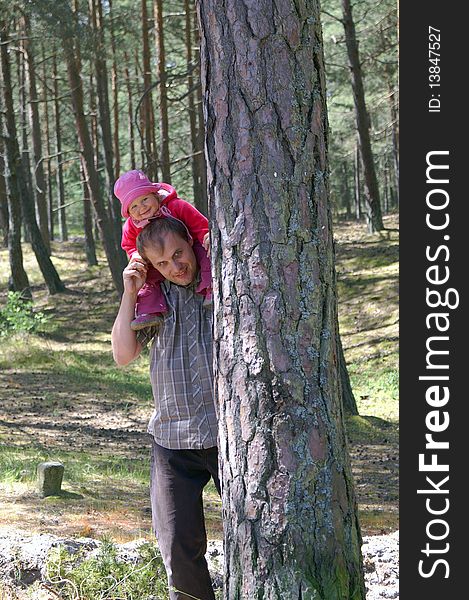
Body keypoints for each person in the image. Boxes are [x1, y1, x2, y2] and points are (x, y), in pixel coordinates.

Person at [111, 216, 220, 600]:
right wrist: (129, 293)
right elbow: (123, 355)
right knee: (177, 547)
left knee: (257, 530)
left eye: (179, 254)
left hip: (231, 437)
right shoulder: (154, 302)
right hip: (172, 442)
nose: (176, 267)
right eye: (163, 263)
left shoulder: (219, 284)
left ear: (191, 243)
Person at [114, 169, 212, 331]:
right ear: (129, 212)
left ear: (155, 195)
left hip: (188, 247)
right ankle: (148, 309)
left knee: (205, 255)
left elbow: (197, 223)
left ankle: (211, 287)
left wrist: (205, 236)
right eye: (134, 206)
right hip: (155, 260)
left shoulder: (175, 206)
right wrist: (136, 256)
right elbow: (129, 244)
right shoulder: (132, 226)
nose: (142, 208)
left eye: (145, 199)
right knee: (148, 278)